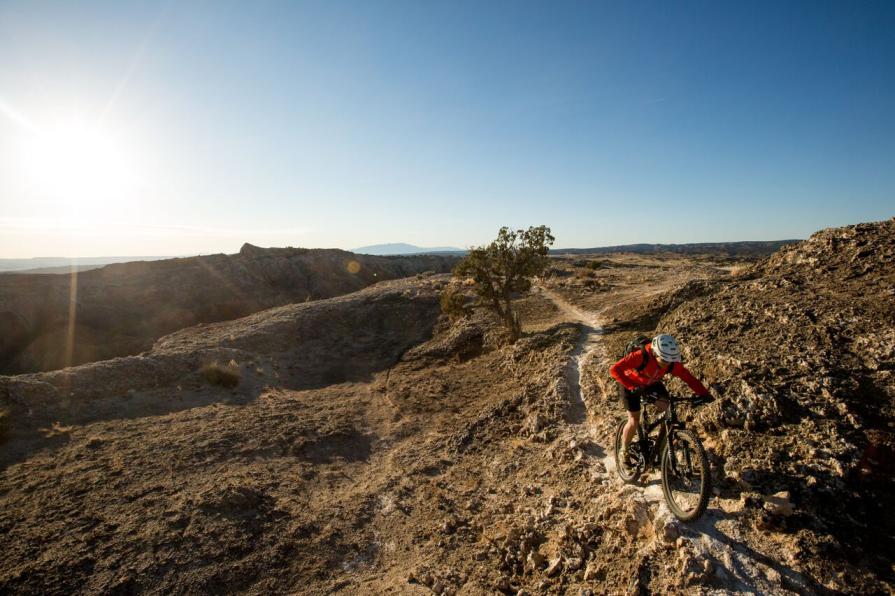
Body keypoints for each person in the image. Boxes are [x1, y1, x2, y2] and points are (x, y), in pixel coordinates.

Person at [609, 334, 711, 465]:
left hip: (651, 383)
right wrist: (631, 386)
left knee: (668, 411)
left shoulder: (670, 362)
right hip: (630, 383)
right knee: (634, 420)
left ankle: (660, 449)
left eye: (669, 362)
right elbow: (614, 369)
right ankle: (624, 450)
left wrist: (704, 394)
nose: (666, 365)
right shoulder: (640, 356)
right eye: (663, 361)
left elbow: (688, 377)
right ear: (654, 353)